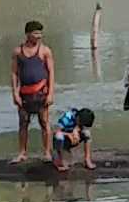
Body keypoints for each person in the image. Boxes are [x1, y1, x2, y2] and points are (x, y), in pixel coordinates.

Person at [10, 20, 55, 163]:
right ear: (28, 34)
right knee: (23, 124)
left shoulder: (45, 51)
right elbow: (14, 73)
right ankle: (22, 153)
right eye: (36, 33)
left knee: (44, 122)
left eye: (40, 33)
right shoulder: (18, 51)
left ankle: (47, 152)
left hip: (41, 92)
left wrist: (51, 93)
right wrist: (15, 93)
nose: (39, 36)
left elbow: (51, 72)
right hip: (24, 93)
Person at [52, 107, 96, 172]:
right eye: (82, 123)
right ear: (78, 118)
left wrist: (76, 130)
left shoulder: (80, 118)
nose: (82, 125)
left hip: (73, 139)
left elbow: (81, 128)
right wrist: (68, 134)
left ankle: (87, 160)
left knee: (87, 133)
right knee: (59, 136)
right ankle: (58, 161)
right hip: (62, 139)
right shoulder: (67, 118)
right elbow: (54, 131)